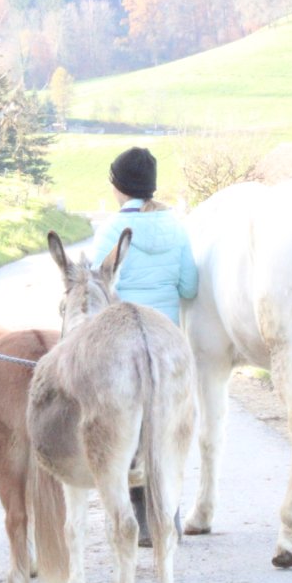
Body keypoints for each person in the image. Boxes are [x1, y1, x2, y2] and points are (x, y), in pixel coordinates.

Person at [91, 146, 198, 546]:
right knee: (166, 428)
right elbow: (190, 287)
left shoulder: (112, 230)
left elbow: (96, 288)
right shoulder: (177, 227)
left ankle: (143, 521)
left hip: (126, 343)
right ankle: (169, 516)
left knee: (129, 431)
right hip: (168, 343)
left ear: (118, 185)